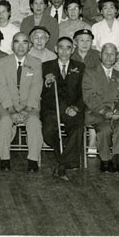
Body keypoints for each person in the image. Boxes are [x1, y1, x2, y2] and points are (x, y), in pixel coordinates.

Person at [0, 32, 43, 172]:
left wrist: (27, 110)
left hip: (29, 105)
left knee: (34, 122)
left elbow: (36, 87)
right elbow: (1, 88)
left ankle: (33, 159)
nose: (21, 46)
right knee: (4, 121)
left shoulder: (36, 63)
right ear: (12, 45)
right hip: (8, 105)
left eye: (25, 42)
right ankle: (4, 158)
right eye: (17, 42)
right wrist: (11, 110)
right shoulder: (2, 62)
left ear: (29, 46)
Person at [40, 36, 85, 178]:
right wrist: (46, 83)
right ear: (55, 49)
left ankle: (61, 163)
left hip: (73, 109)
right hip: (52, 109)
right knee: (48, 131)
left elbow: (85, 92)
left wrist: (76, 108)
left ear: (73, 50)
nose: (64, 51)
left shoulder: (80, 67)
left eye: (68, 48)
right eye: (61, 47)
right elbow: (40, 91)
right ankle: (66, 160)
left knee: (78, 127)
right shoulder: (45, 66)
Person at [82, 43, 119, 172]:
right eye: (106, 53)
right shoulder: (89, 73)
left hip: (117, 113)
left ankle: (115, 157)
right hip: (97, 112)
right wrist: (105, 111)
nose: (109, 57)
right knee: (104, 129)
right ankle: (104, 159)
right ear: (100, 55)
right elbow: (89, 97)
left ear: (116, 57)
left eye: (112, 54)